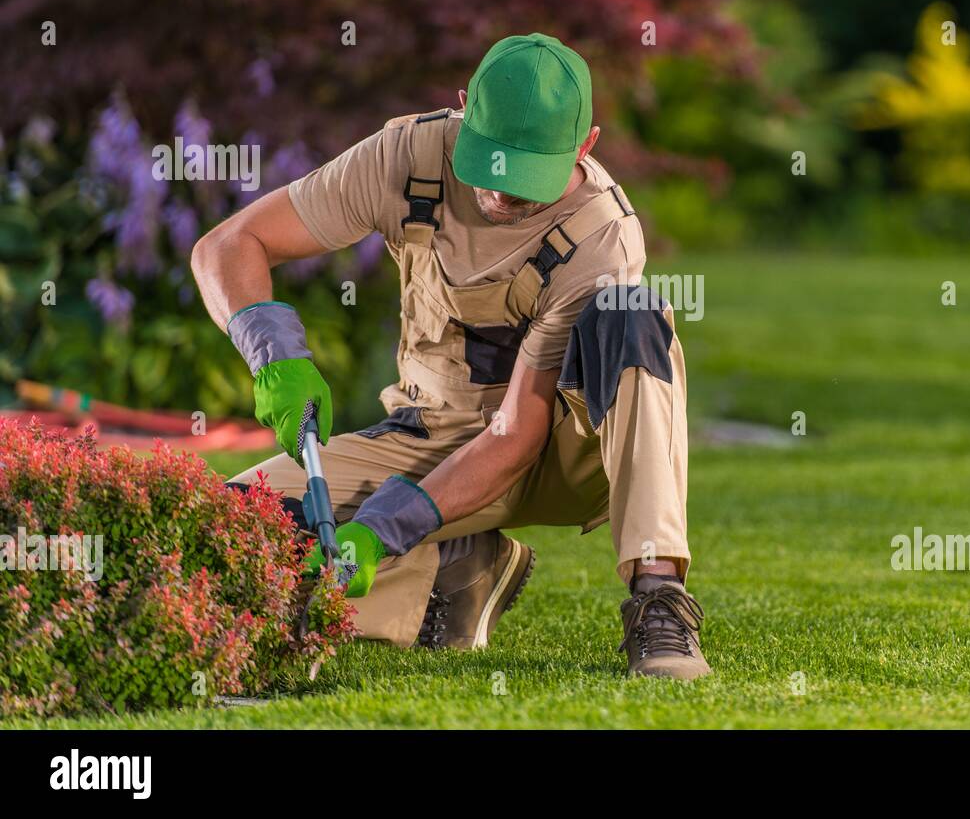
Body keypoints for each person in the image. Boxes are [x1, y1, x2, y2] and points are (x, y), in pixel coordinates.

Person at [191, 34, 709, 679]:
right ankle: (451, 575)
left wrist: (382, 528)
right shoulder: (407, 156)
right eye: (489, 162)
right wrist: (272, 354)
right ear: (464, 109)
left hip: (562, 450)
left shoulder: (600, 236)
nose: (499, 194)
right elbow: (231, 243)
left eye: (525, 175)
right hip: (429, 431)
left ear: (584, 147)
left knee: (630, 313)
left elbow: (516, 437)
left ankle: (660, 598)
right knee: (226, 536)